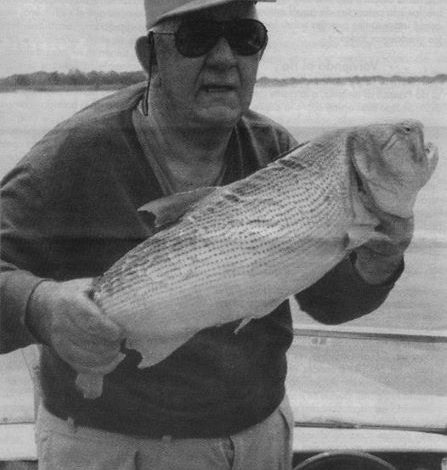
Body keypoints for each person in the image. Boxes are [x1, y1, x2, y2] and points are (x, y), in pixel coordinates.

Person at [0, 1, 413, 468]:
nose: (223, 58)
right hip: (114, 448)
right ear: (150, 56)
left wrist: (377, 264)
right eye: (195, 37)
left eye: (245, 37)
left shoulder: (278, 153)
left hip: (257, 441)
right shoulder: (75, 153)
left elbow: (329, 303)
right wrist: (40, 307)